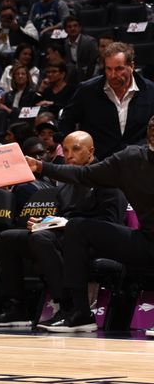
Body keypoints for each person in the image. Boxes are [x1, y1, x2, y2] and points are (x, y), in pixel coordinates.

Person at [26, 118, 154, 333]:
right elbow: (84, 174)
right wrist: (41, 166)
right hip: (147, 241)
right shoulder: (131, 157)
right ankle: (80, 314)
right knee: (77, 226)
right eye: (152, 126)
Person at [0, 131, 126, 329]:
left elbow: (112, 223)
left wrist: (64, 225)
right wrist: (43, 222)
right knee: (7, 238)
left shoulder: (107, 180)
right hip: (66, 237)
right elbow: (62, 218)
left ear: (91, 151)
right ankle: (17, 308)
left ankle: (71, 308)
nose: (69, 155)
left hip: (97, 242)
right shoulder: (65, 185)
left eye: (76, 149)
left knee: (42, 239)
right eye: (67, 150)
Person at [59, 42, 154, 160]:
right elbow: (66, 121)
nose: (112, 75)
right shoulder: (87, 90)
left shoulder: (150, 91)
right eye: (108, 69)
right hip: (98, 165)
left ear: (131, 66)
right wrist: (71, 150)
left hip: (139, 162)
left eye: (119, 69)